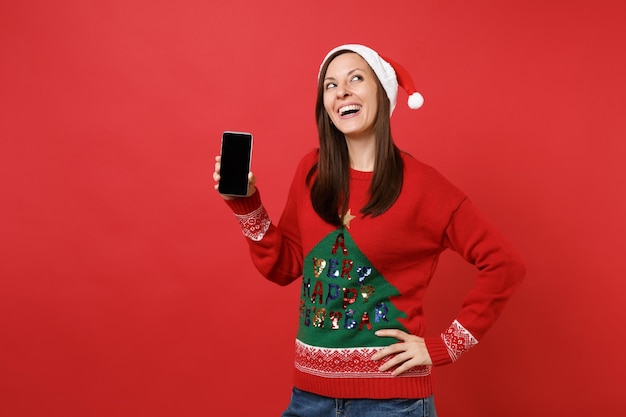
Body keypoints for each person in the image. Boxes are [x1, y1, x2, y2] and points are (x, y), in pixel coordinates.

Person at [213, 44, 526, 417]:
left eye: (355, 78)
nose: (341, 91)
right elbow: (282, 266)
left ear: (383, 91)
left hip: (393, 403)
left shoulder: (425, 186)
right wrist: (247, 203)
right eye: (330, 85)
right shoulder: (311, 172)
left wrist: (444, 346)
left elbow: (505, 264)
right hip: (309, 397)